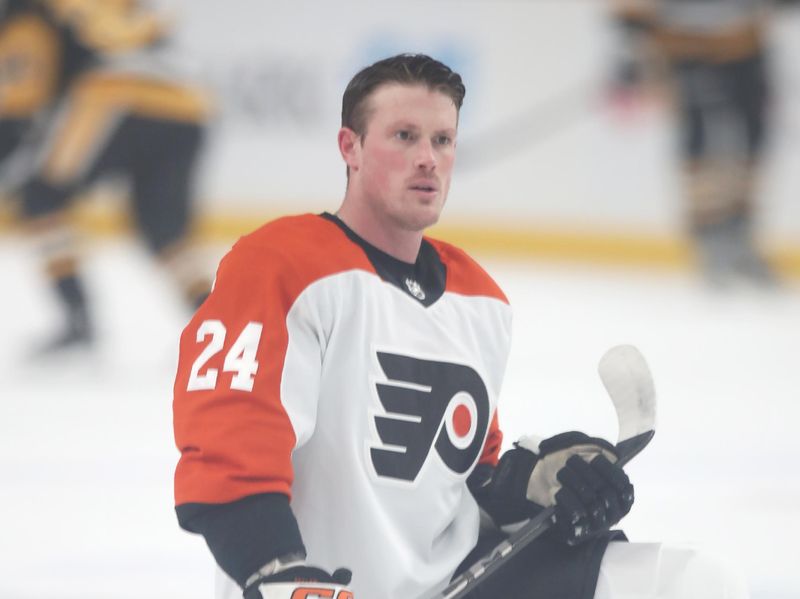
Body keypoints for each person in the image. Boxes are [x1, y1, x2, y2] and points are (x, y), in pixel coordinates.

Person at [173, 54, 745, 599]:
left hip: (459, 581)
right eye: (405, 136)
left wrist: (550, 483)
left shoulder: (479, 298)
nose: (428, 157)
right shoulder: (282, 263)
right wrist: (276, 570)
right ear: (350, 146)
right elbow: (227, 448)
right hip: (315, 586)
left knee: (695, 581)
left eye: (442, 140)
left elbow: (473, 479)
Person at [0, 0, 212, 353]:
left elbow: (22, 84)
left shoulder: (30, 9)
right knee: (165, 231)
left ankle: (78, 318)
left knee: (40, 198)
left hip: (116, 93)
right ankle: (219, 323)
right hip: (189, 104)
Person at [608, 0, 798, 288]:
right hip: (683, 44)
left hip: (742, 40)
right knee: (699, 139)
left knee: (753, 139)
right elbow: (629, 8)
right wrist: (629, 46)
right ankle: (710, 237)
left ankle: (740, 233)